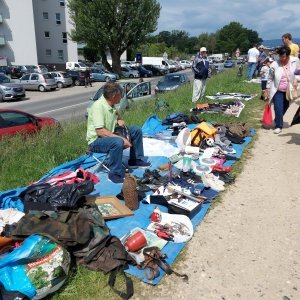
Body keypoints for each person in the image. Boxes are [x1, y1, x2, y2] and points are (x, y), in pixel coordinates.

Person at [86, 82, 151, 183]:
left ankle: (135, 159)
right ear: (113, 96)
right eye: (120, 95)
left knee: (136, 130)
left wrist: (118, 120)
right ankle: (114, 173)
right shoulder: (98, 107)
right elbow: (100, 131)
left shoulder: (111, 104)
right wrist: (122, 139)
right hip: (96, 141)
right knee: (118, 142)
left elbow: (116, 116)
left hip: (109, 135)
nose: (121, 98)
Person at [268, 46, 299, 134]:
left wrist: (296, 79)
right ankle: (279, 126)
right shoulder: (275, 64)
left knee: (285, 107)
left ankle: (277, 120)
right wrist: (266, 89)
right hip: (278, 89)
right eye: (280, 56)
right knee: (278, 108)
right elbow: (270, 77)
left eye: (284, 57)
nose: (282, 58)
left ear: (288, 55)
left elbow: (298, 72)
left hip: (289, 90)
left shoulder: (295, 60)